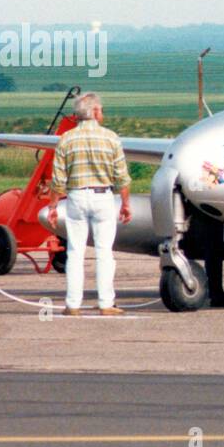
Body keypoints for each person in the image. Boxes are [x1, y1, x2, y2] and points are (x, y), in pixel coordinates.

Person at [47, 92, 132, 316]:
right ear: (94, 112)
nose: (102, 113)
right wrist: (125, 204)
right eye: (101, 109)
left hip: (76, 197)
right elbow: (122, 177)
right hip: (103, 197)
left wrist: (53, 206)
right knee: (104, 252)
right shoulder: (111, 138)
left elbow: (58, 179)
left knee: (75, 251)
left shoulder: (66, 139)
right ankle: (106, 303)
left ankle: (73, 304)